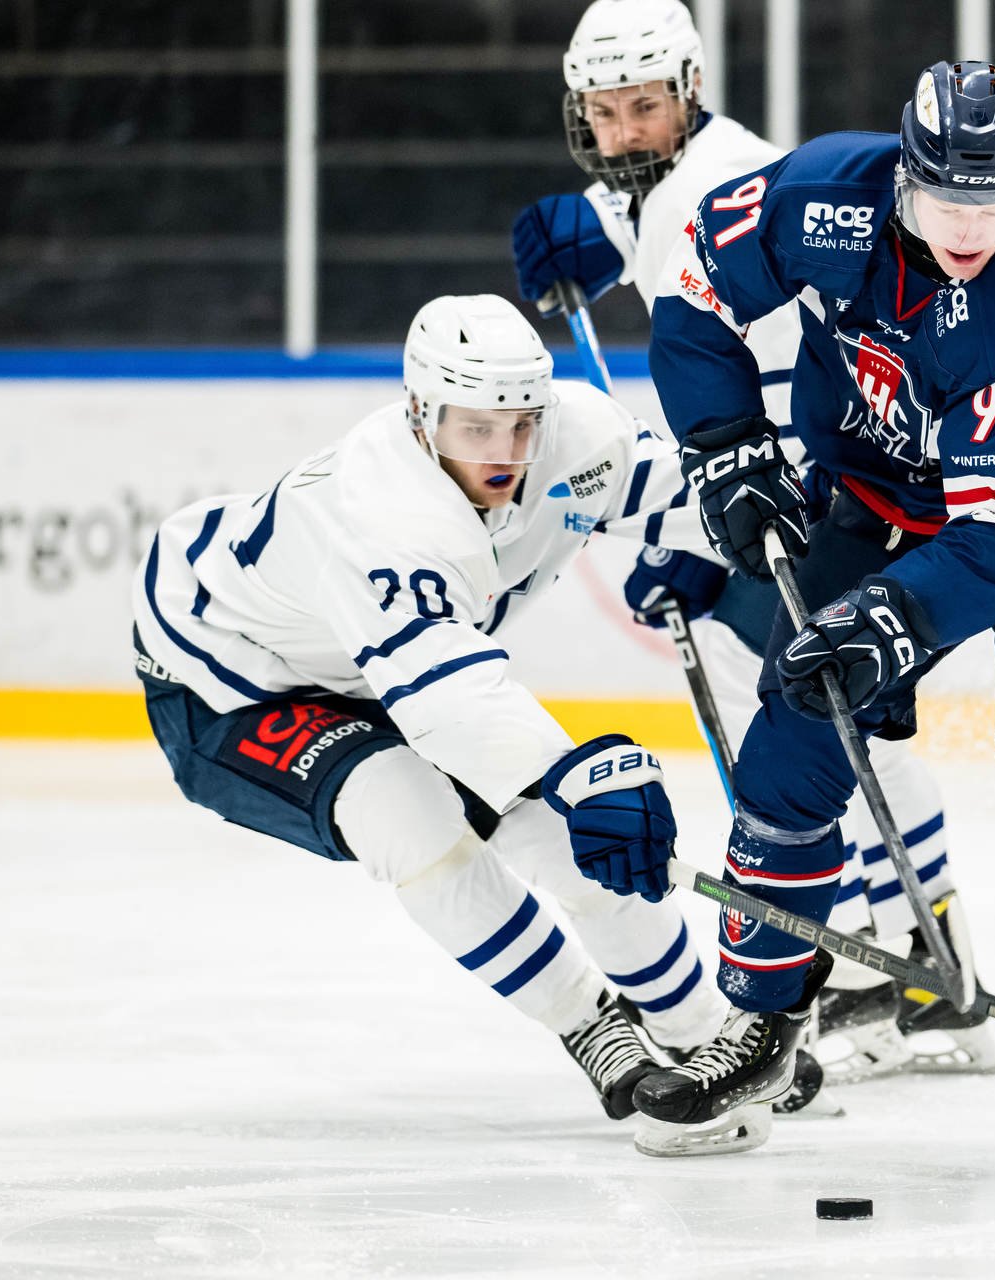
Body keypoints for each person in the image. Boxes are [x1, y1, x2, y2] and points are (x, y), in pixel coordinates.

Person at [563, 59, 995, 1135]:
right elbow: (698, 292)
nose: (972, 228)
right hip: (881, 487)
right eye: (948, 200)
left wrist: (890, 619)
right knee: (796, 741)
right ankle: (762, 1022)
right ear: (903, 177)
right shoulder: (825, 198)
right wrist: (726, 447)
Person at [131, 292, 796, 1154]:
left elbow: (696, 498)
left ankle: (703, 1030)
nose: (507, 452)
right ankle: (589, 1023)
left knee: (567, 839)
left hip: (380, 665)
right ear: (420, 414)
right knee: (410, 818)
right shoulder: (374, 512)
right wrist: (579, 772)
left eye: (522, 423)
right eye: (478, 428)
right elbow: (442, 697)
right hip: (227, 676)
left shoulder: (576, 439)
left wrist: (777, 535)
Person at [508, 0, 995, 1082]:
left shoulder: (714, 194)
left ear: (688, 92)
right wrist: (585, 226)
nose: (626, 130)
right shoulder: (668, 176)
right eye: (605, 112)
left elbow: (788, 386)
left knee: (820, 715)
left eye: (645, 106)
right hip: (809, 477)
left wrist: (705, 529)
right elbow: (634, 212)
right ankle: (919, 957)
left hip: (828, 484)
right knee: (823, 710)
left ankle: (919, 962)